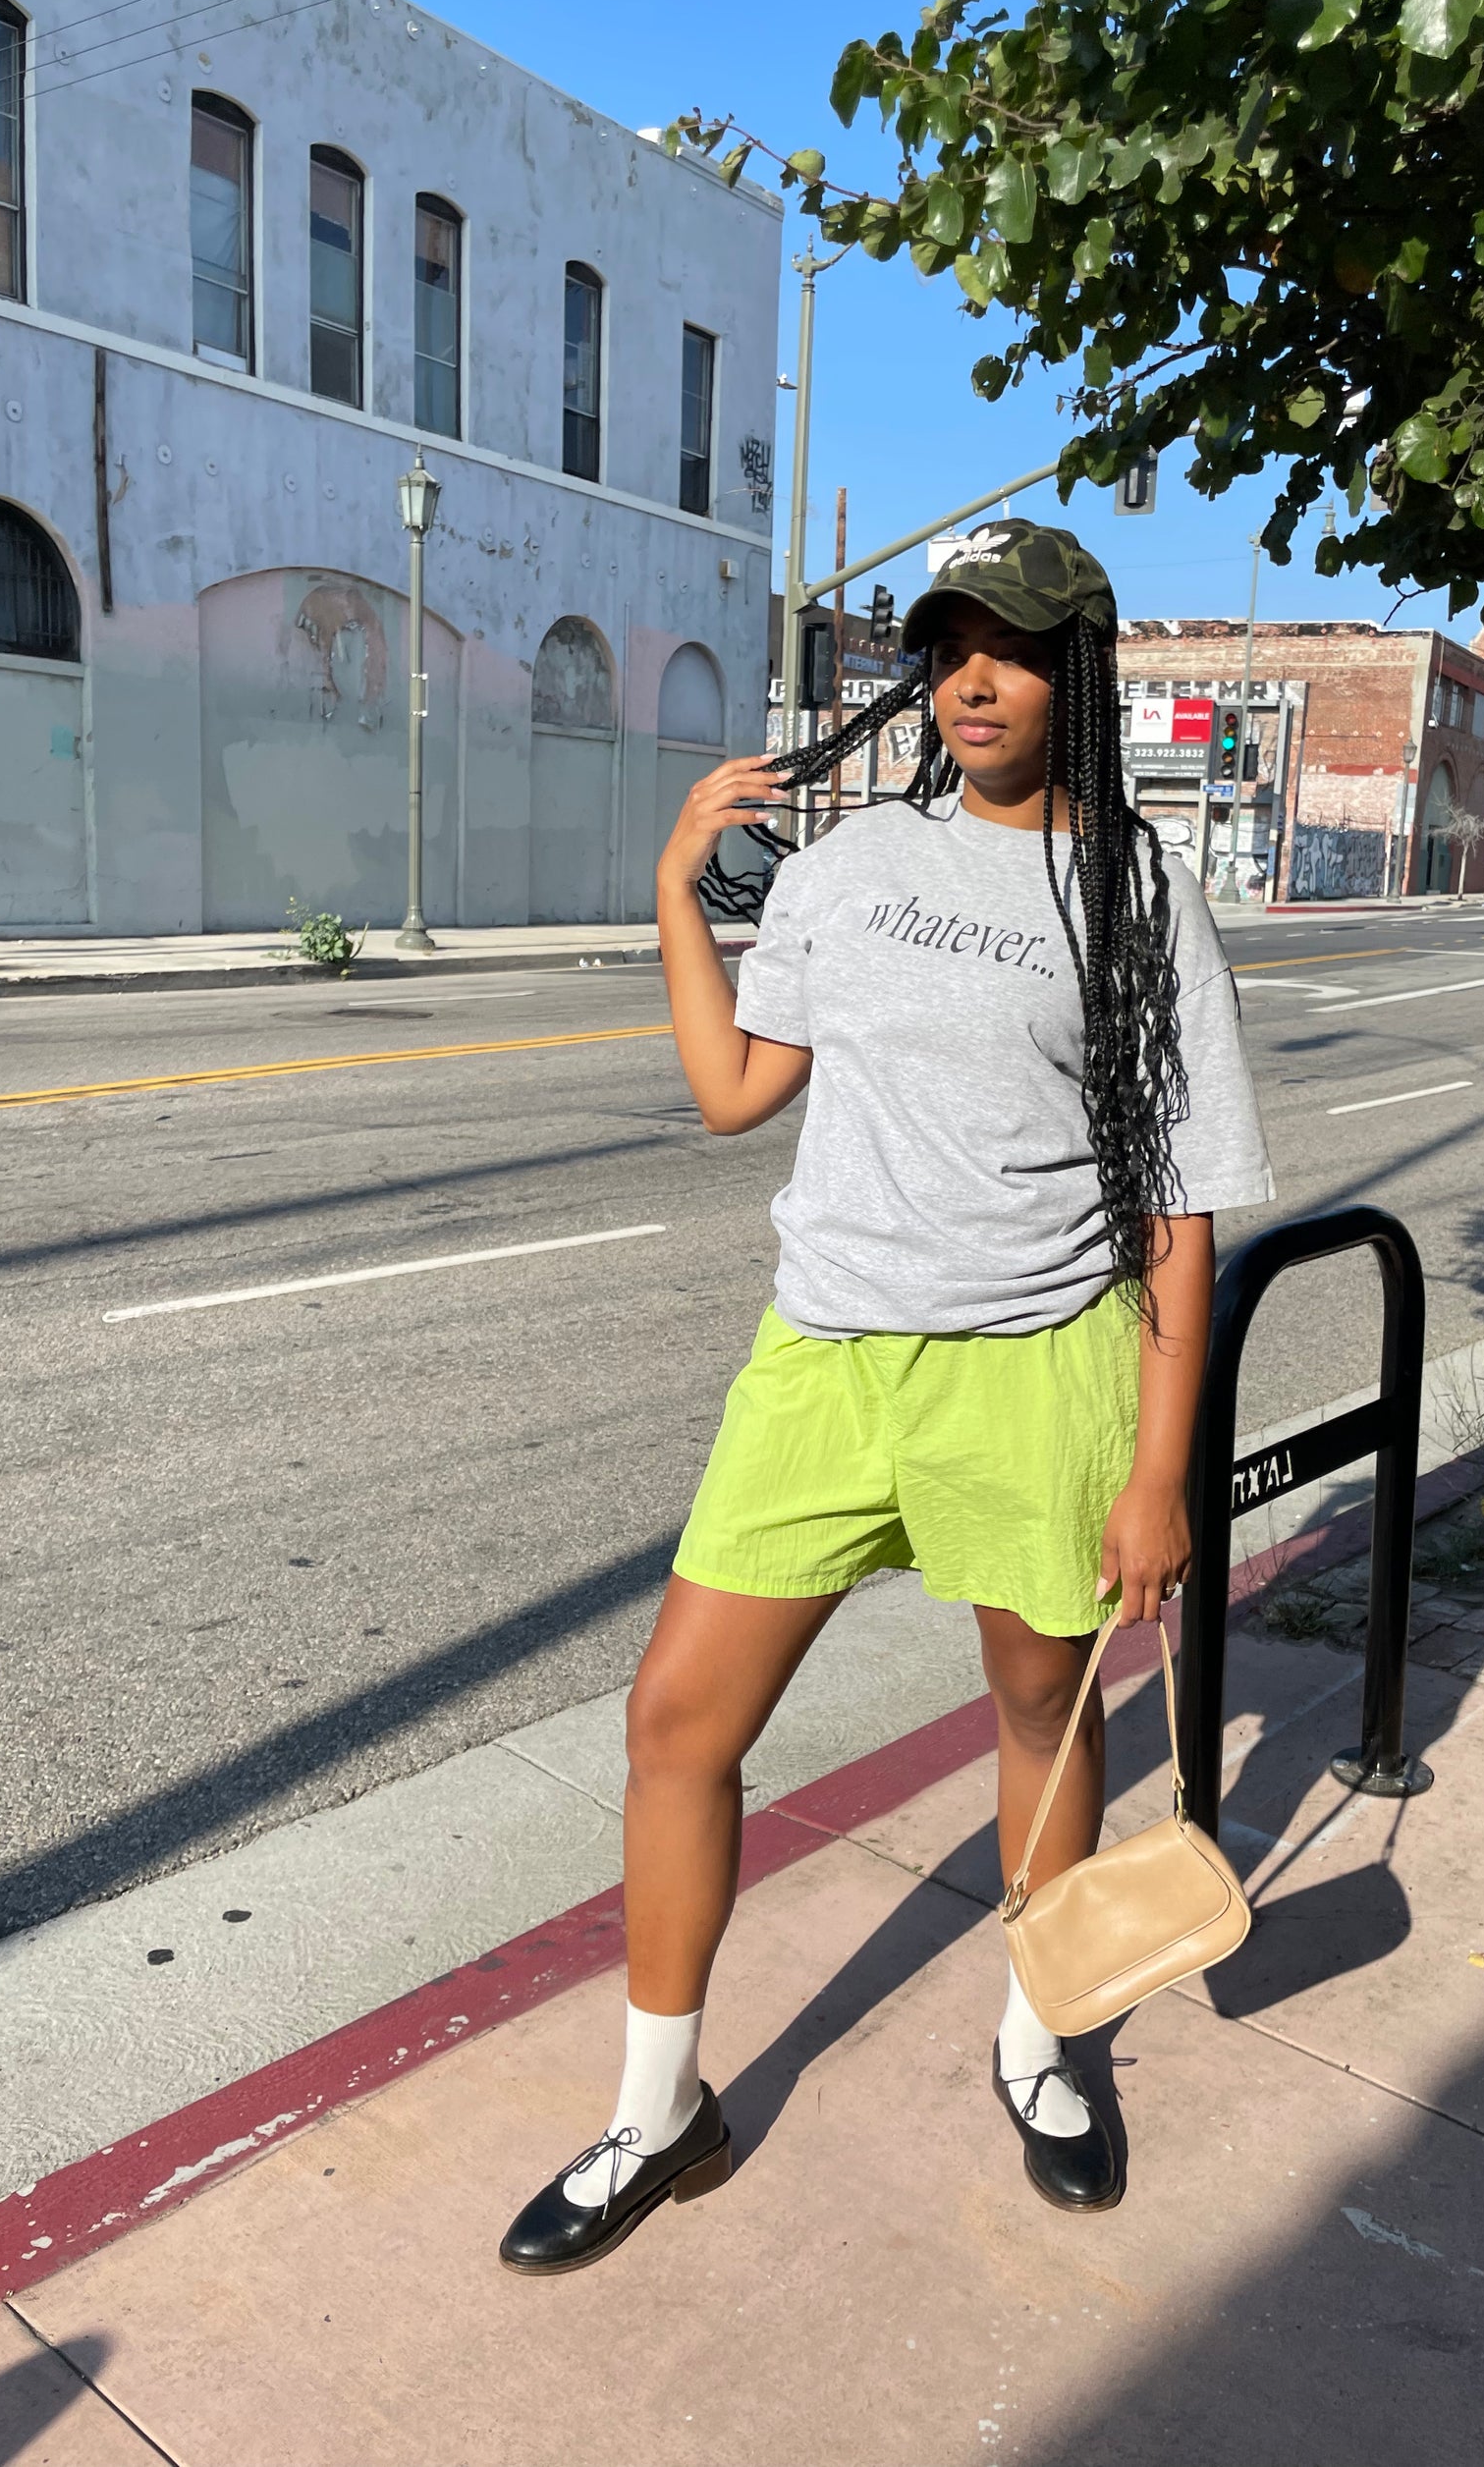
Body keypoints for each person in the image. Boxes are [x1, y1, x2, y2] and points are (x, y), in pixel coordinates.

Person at [499, 521, 1273, 2274]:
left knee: (1033, 1721)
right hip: (827, 1359)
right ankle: (656, 2108)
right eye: (946, 648)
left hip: (1040, 1369)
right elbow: (733, 1090)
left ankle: (1040, 2042)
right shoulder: (854, 870)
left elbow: (1178, 1212)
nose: (971, 680)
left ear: (1075, 669)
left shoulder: (1143, 896)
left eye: (1007, 646)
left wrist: (1160, 1474)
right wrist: (673, 898)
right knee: (676, 1725)